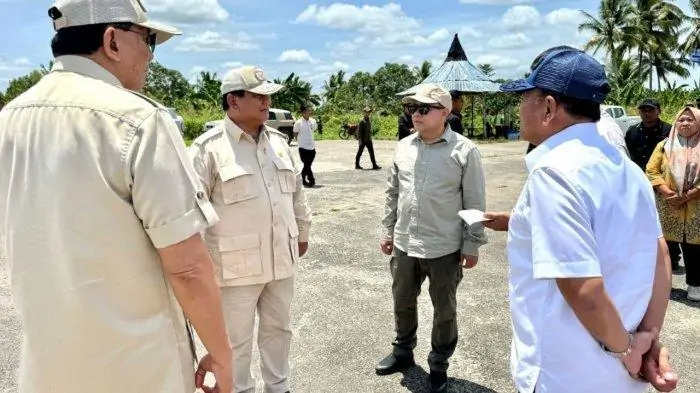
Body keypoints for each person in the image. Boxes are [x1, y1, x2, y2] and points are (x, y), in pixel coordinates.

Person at [0, 1, 233, 392]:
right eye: (148, 40)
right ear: (112, 40)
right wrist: (223, 357)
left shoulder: (9, 119)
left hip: (47, 368)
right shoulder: (138, 120)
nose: (150, 57)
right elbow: (188, 267)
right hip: (138, 368)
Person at [487, 47, 677, 393]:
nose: (519, 109)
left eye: (524, 98)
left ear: (547, 107)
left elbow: (582, 286)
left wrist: (628, 349)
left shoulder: (555, 171)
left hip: (568, 373)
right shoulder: (628, 170)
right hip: (620, 373)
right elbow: (660, 255)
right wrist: (648, 335)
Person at [189, 65, 312, 393]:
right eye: (257, 95)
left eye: (267, 95)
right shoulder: (208, 149)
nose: (266, 101)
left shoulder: (278, 143)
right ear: (233, 100)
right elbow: (191, 212)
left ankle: (279, 387)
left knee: (279, 330)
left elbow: (296, 194)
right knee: (235, 340)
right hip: (235, 268)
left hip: (281, 260)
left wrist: (302, 232)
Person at [377, 83, 488, 393]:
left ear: (445, 112)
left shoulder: (464, 151)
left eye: (424, 108)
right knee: (402, 301)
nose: (416, 114)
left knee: (444, 310)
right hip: (404, 243)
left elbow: (475, 202)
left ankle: (439, 364)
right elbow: (393, 193)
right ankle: (403, 352)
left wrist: (472, 244)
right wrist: (388, 231)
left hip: (444, 247)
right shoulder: (404, 146)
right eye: (412, 108)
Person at [646, 106, 700, 302]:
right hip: (668, 205)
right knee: (665, 248)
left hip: (696, 208)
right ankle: (664, 285)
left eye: (690, 120)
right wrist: (668, 192)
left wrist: (688, 195)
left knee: (695, 249)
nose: (684, 123)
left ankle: (695, 285)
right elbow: (651, 171)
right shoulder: (664, 146)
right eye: (681, 120)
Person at [625, 98, 672, 170]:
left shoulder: (669, 130)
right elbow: (626, 153)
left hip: (659, 175)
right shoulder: (632, 131)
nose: (647, 113)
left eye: (651, 110)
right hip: (637, 173)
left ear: (659, 111)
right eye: (643, 110)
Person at [293, 103, 318, 187]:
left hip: (312, 147)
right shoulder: (298, 123)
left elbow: (314, 130)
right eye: (307, 111)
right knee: (307, 164)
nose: (308, 113)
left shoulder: (313, 121)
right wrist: (299, 142)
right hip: (303, 147)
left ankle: (302, 179)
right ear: (303, 113)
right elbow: (295, 133)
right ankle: (311, 179)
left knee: (307, 165)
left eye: (309, 111)